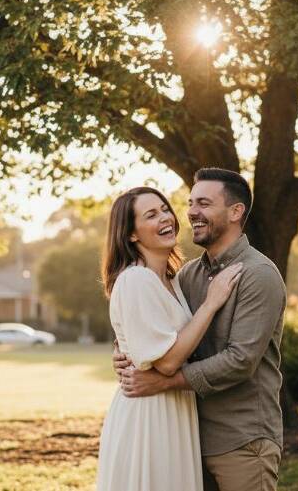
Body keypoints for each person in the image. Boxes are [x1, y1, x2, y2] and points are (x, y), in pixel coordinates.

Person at [114, 168, 287, 491]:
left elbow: (240, 361)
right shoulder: (186, 276)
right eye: (191, 203)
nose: (192, 212)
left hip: (242, 440)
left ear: (235, 212)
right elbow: (160, 331)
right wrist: (125, 353)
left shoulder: (258, 274)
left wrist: (163, 382)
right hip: (187, 439)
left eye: (204, 204)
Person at [96, 186, 243, 491]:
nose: (165, 218)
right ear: (131, 234)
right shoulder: (136, 279)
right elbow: (166, 362)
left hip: (175, 408)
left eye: (165, 209)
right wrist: (211, 303)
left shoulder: (172, 280)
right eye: (151, 215)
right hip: (148, 414)